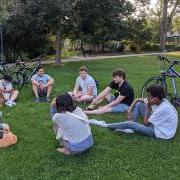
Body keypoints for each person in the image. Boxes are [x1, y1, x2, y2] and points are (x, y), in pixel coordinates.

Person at [90, 85, 178, 140]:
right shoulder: (160, 100)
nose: (147, 98)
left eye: (149, 96)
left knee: (130, 124)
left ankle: (104, 125)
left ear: (155, 98)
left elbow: (145, 123)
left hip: (161, 132)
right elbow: (137, 100)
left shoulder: (162, 108)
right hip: (160, 124)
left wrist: (148, 108)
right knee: (139, 104)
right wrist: (130, 109)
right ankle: (132, 125)